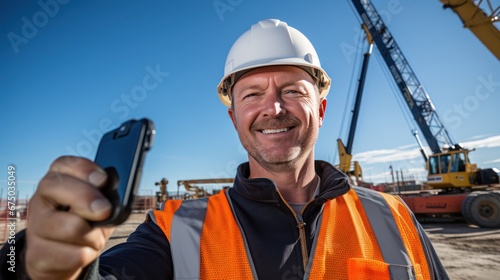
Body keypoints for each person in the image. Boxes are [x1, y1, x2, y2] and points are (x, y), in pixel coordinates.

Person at [0, 19, 449, 279]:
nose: (273, 108)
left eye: (293, 90)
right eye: (252, 94)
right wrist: (27, 263)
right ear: (233, 116)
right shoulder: (173, 230)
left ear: (322, 107)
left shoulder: (393, 217)